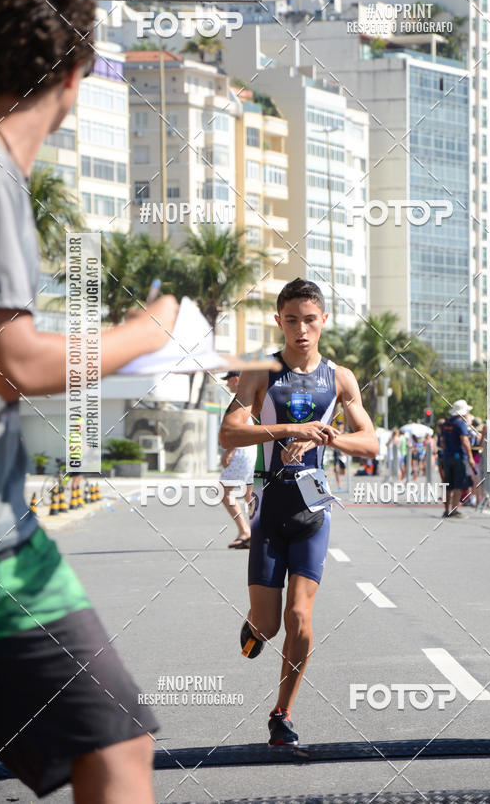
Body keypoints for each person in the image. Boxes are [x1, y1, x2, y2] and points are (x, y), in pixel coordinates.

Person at [0, 0, 181, 801]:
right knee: (118, 743)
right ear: (77, 74)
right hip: (1, 553)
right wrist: (148, 330)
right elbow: (19, 359)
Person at [219, 278, 378, 747]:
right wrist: (287, 429)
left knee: (300, 618)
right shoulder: (260, 373)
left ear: (323, 320)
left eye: (310, 320)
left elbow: (369, 442)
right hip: (269, 511)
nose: (301, 330)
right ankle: (253, 625)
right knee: (268, 626)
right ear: (279, 321)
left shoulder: (341, 377)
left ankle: (282, 712)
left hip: (313, 511)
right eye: (291, 321)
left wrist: (325, 437)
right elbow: (230, 432)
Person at [219, 371, 256, 548]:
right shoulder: (252, 397)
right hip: (252, 450)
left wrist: (229, 451)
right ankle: (256, 530)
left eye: (228, 381)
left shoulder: (242, 400)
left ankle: (245, 530)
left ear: (236, 380)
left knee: (223, 491)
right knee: (250, 494)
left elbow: (240, 427)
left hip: (242, 450)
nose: (227, 385)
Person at [440, 400, 477, 518]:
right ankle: (454, 510)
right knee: (458, 485)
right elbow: (465, 441)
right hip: (458, 457)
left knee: (448, 485)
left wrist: (447, 451)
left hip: (447, 457)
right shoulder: (461, 423)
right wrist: (470, 457)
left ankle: (446, 510)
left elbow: (442, 441)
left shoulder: (446, 423)